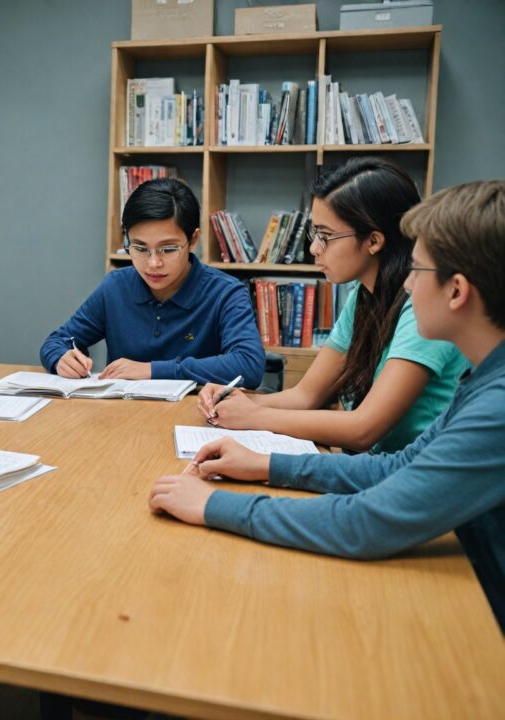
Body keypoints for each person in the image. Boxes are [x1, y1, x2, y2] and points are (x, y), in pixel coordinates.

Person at [150, 180, 505, 626]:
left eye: (418, 271)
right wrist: (266, 465)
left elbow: (369, 522)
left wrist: (213, 505)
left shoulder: (497, 407)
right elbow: (394, 468)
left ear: (456, 291)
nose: (409, 286)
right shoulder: (485, 379)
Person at [198, 157, 468, 453]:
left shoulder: (422, 307)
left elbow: (363, 429)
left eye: (325, 236)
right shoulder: (364, 295)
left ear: (374, 241)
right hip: (372, 467)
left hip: (407, 475)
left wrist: (257, 416)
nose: (314, 248)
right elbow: (306, 395)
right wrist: (239, 399)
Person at [39, 178, 264, 387]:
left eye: (168, 249)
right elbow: (57, 340)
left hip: (194, 417)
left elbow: (248, 366)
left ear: (193, 240)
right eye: (140, 248)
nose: (153, 263)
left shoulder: (226, 293)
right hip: (123, 418)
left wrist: (152, 370)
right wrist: (60, 358)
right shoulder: (116, 286)